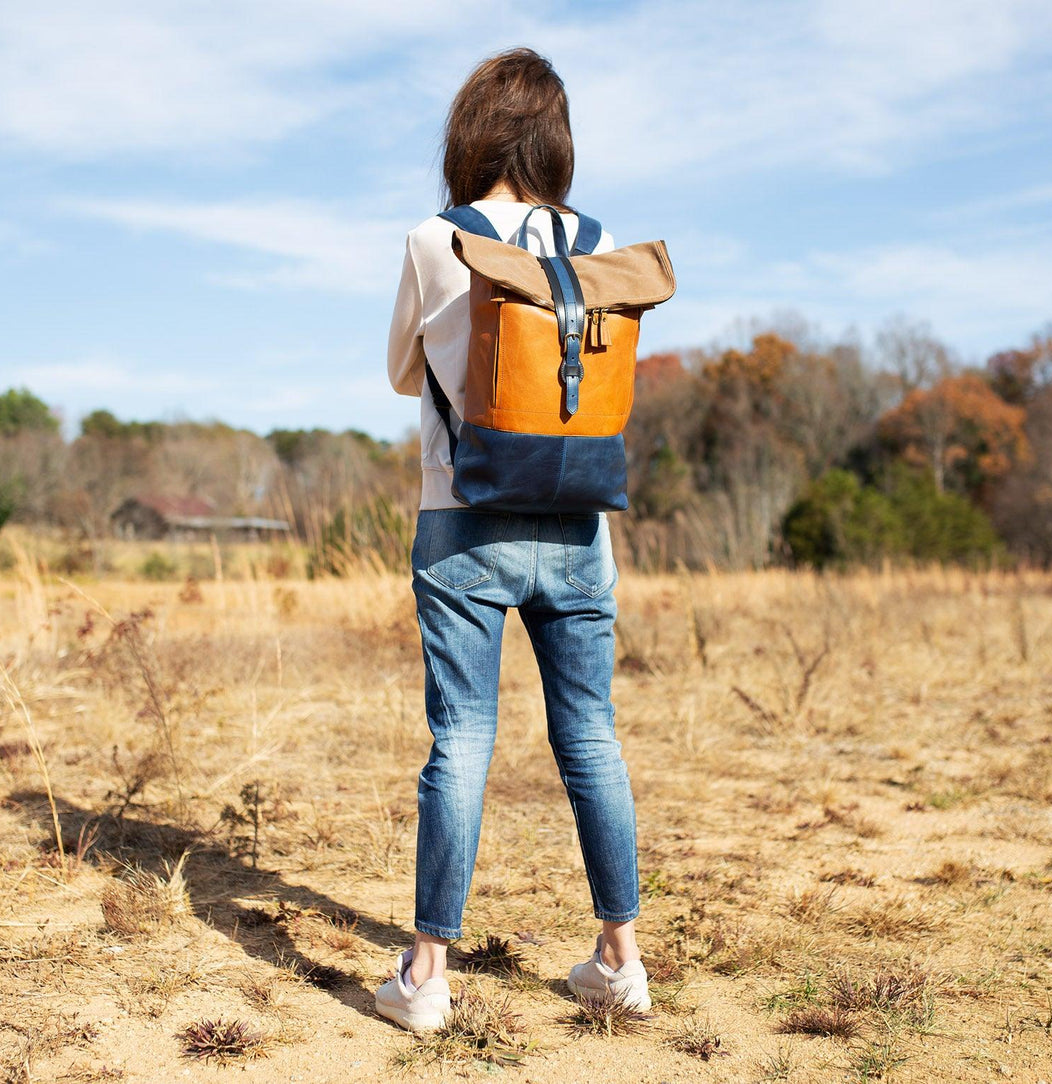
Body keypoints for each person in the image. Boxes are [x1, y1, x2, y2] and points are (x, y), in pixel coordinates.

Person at [376, 47, 648, 1033]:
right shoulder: (603, 243)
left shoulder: (429, 238)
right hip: (579, 521)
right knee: (589, 733)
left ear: (470, 133)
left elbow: (403, 374)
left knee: (462, 735)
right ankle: (619, 958)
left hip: (461, 520)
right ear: (556, 139)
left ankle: (425, 975)